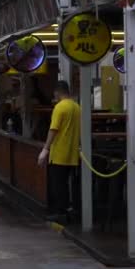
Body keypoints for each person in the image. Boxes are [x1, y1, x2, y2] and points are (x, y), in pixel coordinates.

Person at [37, 81, 81, 220]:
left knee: (58, 184)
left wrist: (45, 149)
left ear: (57, 92)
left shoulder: (60, 107)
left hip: (59, 153)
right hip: (73, 153)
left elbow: (53, 129)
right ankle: (70, 210)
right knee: (69, 183)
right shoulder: (77, 107)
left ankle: (60, 212)